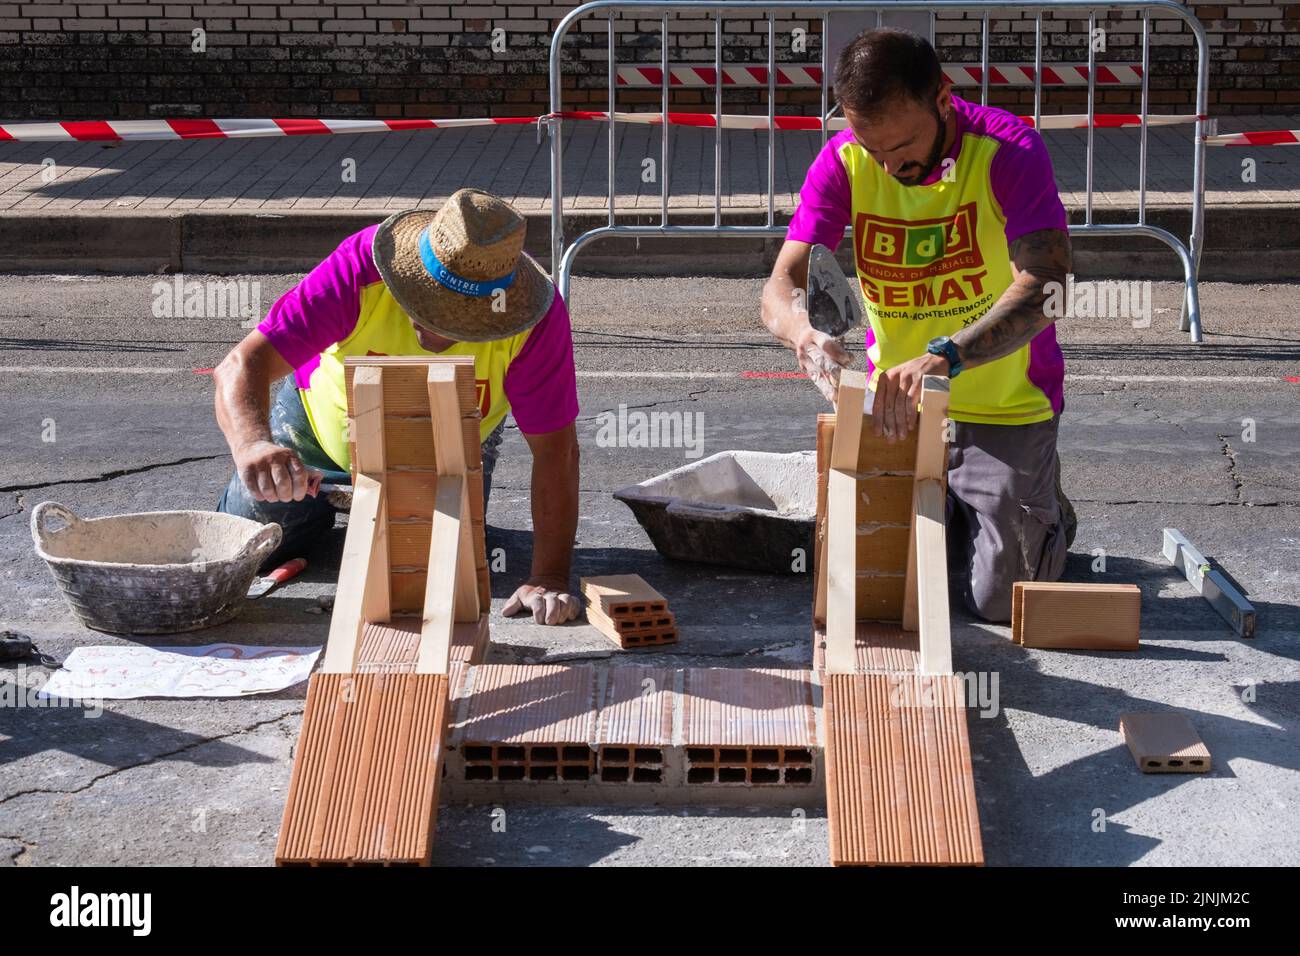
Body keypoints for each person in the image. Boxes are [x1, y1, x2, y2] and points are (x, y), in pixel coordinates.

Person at [761, 28, 1077, 623]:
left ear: (942, 98)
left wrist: (948, 357)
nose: (891, 165)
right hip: (896, 404)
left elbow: (1048, 288)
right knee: (876, 585)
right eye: (873, 149)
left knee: (996, 604)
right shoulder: (846, 160)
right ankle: (972, 514)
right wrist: (802, 333)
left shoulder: (1008, 150)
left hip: (1004, 407)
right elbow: (780, 285)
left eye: (902, 146)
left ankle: (1045, 513)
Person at [213, 188, 582, 625]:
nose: (438, 336)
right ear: (407, 279)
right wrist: (254, 446)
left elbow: (556, 450)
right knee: (244, 552)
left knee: (435, 573)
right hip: (315, 437)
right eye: (430, 310)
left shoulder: (531, 318)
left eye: (459, 322)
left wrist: (550, 577)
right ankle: (313, 514)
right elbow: (241, 364)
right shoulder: (359, 268)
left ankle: (364, 519)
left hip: (447, 451)